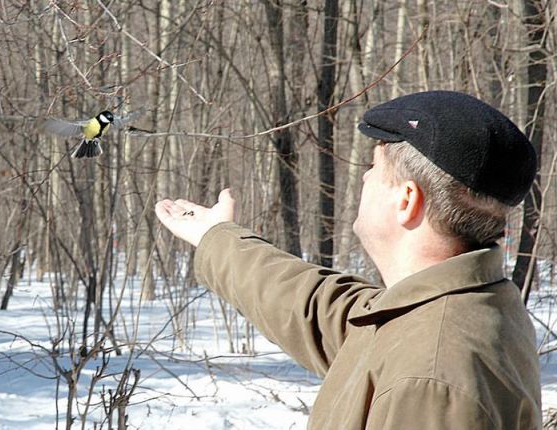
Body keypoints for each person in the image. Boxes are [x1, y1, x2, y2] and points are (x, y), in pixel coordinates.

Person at [155, 91, 542, 429]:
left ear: (407, 200)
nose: (363, 179)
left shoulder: (430, 379)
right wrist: (217, 237)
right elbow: (318, 307)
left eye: (374, 168)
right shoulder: (450, 305)